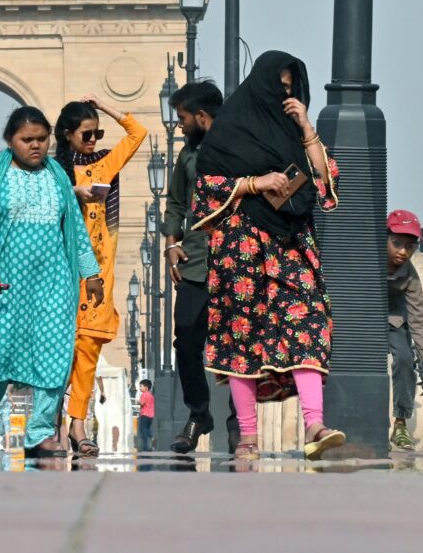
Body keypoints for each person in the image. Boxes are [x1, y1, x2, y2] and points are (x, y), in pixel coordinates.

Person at [193, 50, 343, 461]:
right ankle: (248, 437)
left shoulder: (295, 132)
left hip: (292, 244)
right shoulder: (229, 130)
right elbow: (206, 186)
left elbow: (325, 182)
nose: (285, 94)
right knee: (243, 337)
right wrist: (255, 183)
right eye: (278, 86)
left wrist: (306, 125)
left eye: (292, 88)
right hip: (240, 249)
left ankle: (315, 423)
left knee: (308, 322)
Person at [0, 106, 104, 460]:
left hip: (53, 283)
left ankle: (41, 432)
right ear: (9, 141)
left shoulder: (58, 176)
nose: (36, 146)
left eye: (41, 139)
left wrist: (90, 273)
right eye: (27, 140)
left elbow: (75, 228)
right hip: (2, 286)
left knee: (54, 355)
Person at [55, 94, 146, 458]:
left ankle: (77, 424)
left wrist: (104, 105)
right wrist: (73, 195)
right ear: (66, 135)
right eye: (85, 134)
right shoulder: (51, 173)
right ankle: (51, 424)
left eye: (97, 133)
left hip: (98, 277)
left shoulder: (106, 163)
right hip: (60, 275)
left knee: (89, 350)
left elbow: (137, 132)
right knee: (59, 351)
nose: (93, 140)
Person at [160, 79, 237, 454]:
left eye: (183, 118)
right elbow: (175, 201)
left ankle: (239, 421)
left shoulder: (240, 148)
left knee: (238, 340)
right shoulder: (186, 154)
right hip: (193, 260)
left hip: (236, 260)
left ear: (202, 117)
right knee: (187, 338)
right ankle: (199, 413)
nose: (179, 125)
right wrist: (171, 243)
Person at [386, 209, 423, 451]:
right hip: (364, 319)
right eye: (397, 244)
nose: (403, 251)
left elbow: (417, 319)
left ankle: (401, 422)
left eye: (410, 246)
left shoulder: (410, 277)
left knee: (404, 359)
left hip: (395, 319)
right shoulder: (369, 258)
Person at [137, 379, 154, 450]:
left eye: (141, 386)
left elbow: (141, 403)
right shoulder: (151, 395)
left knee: (143, 430)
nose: (140, 388)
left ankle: (145, 446)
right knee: (148, 428)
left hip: (144, 414)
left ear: (146, 387)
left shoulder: (144, 395)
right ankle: (152, 437)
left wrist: (137, 402)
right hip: (151, 415)